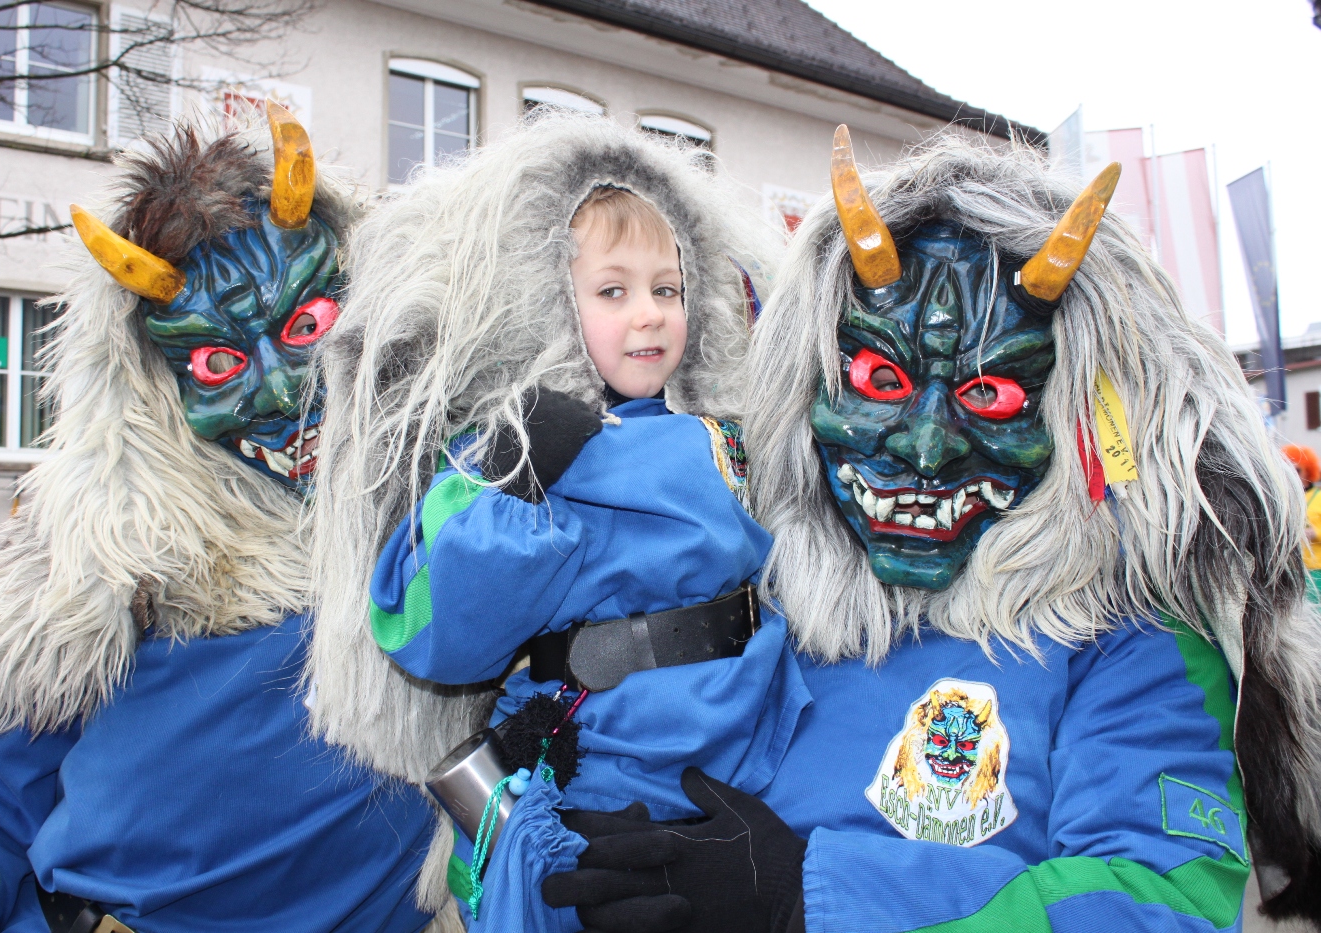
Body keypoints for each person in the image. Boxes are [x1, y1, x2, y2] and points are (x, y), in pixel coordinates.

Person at [541, 132, 1321, 932]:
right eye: (881, 379)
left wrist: (809, 896)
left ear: (1072, 410)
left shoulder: (1130, 638)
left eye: (989, 394)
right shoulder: (749, 589)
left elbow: (1161, 903)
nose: (925, 445)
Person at [0, 111, 474, 933]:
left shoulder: (459, 505)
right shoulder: (100, 546)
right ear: (153, 381)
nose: (281, 391)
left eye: (306, 328)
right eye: (219, 361)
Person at [307, 112, 784, 931]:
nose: (649, 314)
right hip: (610, 759)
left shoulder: (728, 431)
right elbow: (425, 625)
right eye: (612, 291)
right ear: (551, 301)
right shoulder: (525, 443)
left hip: (751, 740)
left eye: (667, 289)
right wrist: (516, 476)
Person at [1281, 444, 1321, 597]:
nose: (1292, 474)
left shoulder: (1319, 497)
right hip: (1289, 572)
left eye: (1297, 470)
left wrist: (1314, 533)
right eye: (1287, 468)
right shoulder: (1282, 499)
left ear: (1309, 472)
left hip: (1316, 571)